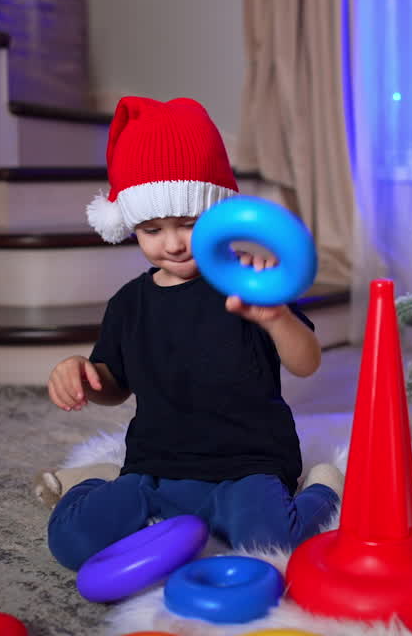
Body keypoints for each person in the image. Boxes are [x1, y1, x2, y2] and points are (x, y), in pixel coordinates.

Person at [35, 96, 344, 571]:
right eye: (152, 229)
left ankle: (323, 485)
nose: (174, 243)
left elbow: (307, 362)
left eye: (190, 224)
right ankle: (96, 480)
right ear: (131, 226)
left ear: (220, 217)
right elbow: (114, 385)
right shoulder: (129, 303)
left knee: (276, 546)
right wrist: (83, 374)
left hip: (247, 467)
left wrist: (276, 317)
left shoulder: (249, 281)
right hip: (156, 467)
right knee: (72, 541)